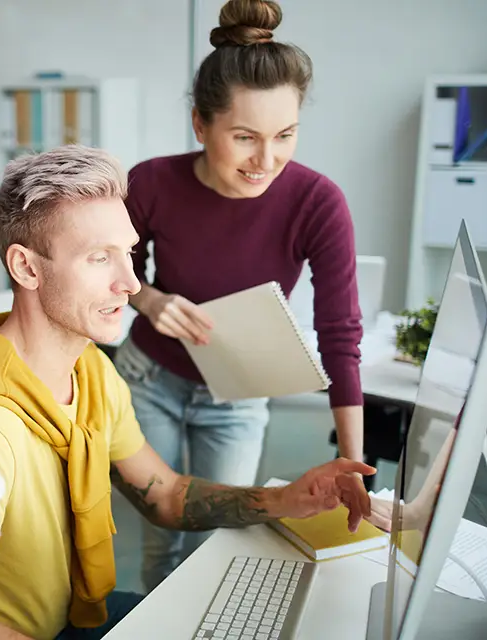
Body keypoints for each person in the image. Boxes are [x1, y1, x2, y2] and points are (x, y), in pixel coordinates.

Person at [0, 144, 375, 640]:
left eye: (128, 252)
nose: (128, 283)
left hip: (71, 616)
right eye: (100, 258)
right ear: (27, 268)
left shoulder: (91, 373)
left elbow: (163, 494)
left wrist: (284, 499)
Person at [113, 0, 366, 591]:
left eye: (285, 136)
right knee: (162, 536)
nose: (267, 160)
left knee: (215, 544)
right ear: (201, 125)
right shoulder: (151, 182)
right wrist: (147, 298)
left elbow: (339, 335)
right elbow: (113, 266)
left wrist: (348, 462)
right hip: (150, 380)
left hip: (239, 396)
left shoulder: (317, 202)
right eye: (245, 137)